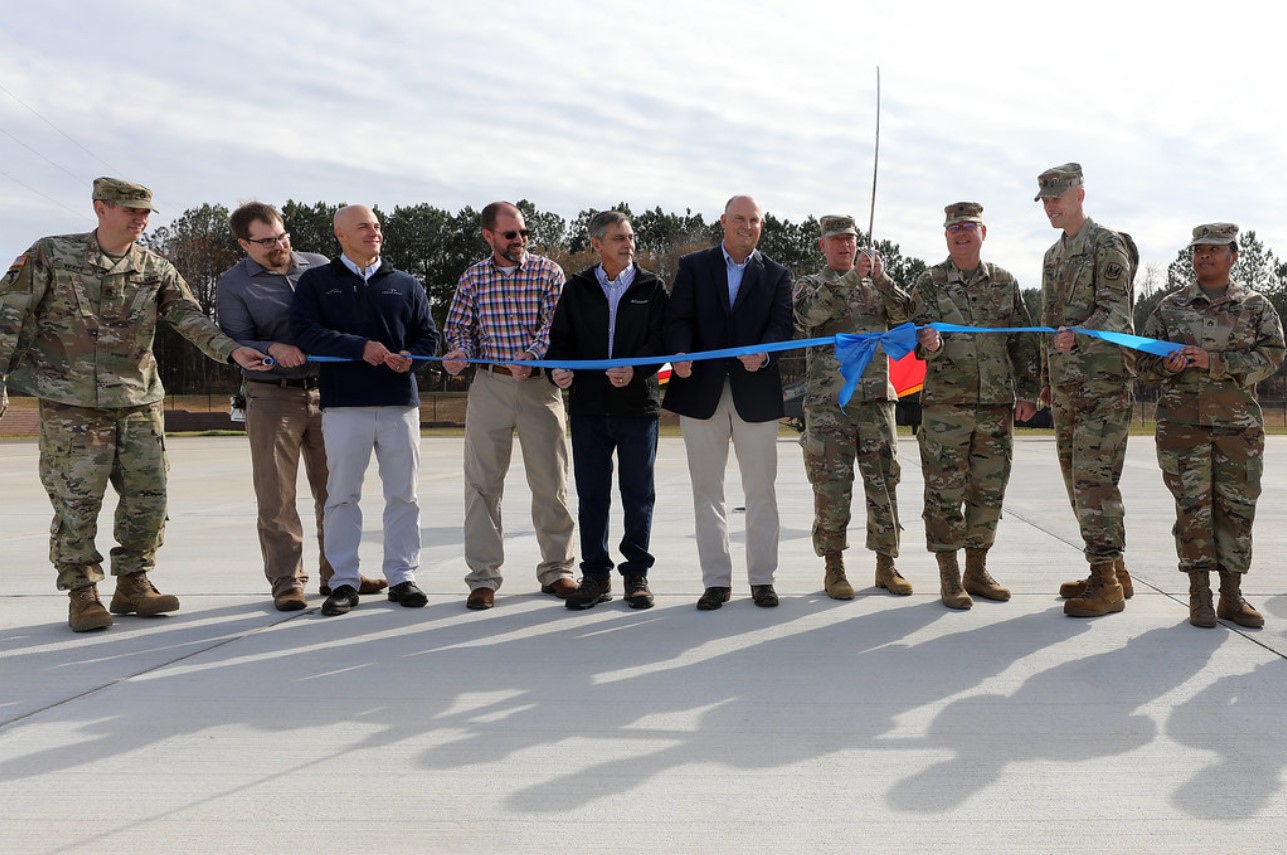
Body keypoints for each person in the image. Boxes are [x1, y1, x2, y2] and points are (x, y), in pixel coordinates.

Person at [0, 177, 270, 632]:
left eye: (146, 213)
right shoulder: (52, 254)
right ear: (100, 208)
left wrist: (231, 350)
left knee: (149, 498)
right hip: (72, 403)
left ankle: (133, 582)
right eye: (131, 211)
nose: (141, 220)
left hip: (139, 399)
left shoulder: (155, 267)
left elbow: (188, 316)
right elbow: (9, 314)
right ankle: (83, 593)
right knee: (76, 501)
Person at [217, 201, 387, 611]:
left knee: (337, 489)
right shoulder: (233, 284)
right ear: (245, 243)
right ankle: (287, 581)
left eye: (282, 236)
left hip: (329, 393)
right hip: (272, 395)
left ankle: (340, 574)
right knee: (276, 495)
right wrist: (272, 346)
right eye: (267, 241)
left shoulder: (318, 266)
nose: (280, 246)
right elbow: (235, 338)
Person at [290, 205, 440, 617]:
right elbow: (303, 331)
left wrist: (413, 358)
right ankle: (343, 581)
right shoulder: (317, 282)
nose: (374, 233)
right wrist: (359, 347)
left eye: (377, 226)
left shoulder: (406, 284)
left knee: (404, 496)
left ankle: (402, 576)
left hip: (399, 406)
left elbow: (429, 336)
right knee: (341, 496)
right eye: (364, 227)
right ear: (340, 233)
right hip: (343, 407)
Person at [1139, 223, 1283, 628]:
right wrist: (1166, 364)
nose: (1203, 255)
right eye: (1198, 249)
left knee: (1237, 509)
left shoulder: (1255, 306)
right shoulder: (1169, 307)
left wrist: (1215, 363)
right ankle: (1199, 594)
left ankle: (1232, 595)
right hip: (1181, 427)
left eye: (1214, 249)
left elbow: (1272, 356)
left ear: (1233, 256)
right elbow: (1143, 363)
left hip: (1238, 427)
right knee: (1192, 509)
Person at [442, 201, 576, 610]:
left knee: (551, 482)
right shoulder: (472, 278)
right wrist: (458, 353)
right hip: (490, 385)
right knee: (482, 484)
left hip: (539, 388)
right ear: (489, 236)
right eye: (510, 234)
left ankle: (558, 569)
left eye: (523, 233)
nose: (520, 241)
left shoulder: (548, 272)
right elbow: (458, 328)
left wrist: (532, 357)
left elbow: (556, 324)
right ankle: (483, 577)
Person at [663, 195, 792, 610]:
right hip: (701, 392)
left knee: (761, 491)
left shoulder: (776, 274)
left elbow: (781, 326)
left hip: (756, 394)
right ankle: (716, 581)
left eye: (754, 220)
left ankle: (762, 580)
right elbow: (678, 319)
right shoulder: (694, 267)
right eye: (740, 218)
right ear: (723, 221)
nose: (747, 226)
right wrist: (680, 353)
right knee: (707, 492)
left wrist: (765, 353)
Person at [911, 203, 1041, 609]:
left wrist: (1031, 391)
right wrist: (928, 344)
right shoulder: (928, 283)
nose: (961, 233)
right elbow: (917, 341)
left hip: (996, 407)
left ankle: (977, 569)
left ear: (984, 232)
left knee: (989, 492)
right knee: (944, 492)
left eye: (969, 227)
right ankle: (950, 577)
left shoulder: (1004, 282)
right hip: (946, 409)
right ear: (945, 235)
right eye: (953, 228)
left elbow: (1021, 340)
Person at [547, 211, 669, 611]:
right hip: (589, 408)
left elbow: (661, 343)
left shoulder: (652, 286)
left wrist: (635, 370)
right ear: (596, 244)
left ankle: (636, 574)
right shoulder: (577, 288)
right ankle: (596, 575)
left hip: (638, 407)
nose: (628, 243)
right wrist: (559, 371)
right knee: (592, 495)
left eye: (630, 236)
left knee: (638, 494)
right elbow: (560, 343)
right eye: (618, 237)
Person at [1035, 162, 1139, 617]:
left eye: (1058, 197)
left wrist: (1079, 334)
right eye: (1046, 200)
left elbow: (1117, 312)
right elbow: (1047, 323)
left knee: (1094, 481)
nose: (1051, 206)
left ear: (1081, 195)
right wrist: (1045, 378)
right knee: (1075, 481)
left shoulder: (1106, 244)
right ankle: (1113, 568)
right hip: (1067, 386)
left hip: (1103, 383)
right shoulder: (1052, 256)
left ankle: (1105, 584)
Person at [794, 214, 914, 601]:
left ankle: (887, 564)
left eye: (851, 239)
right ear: (822, 246)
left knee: (884, 485)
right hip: (829, 406)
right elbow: (807, 316)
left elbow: (906, 313)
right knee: (831, 489)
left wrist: (879, 278)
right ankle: (834, 567)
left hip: (876, 400)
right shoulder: (811, 284)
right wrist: (849, 280)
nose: (846, 246)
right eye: (837, 240)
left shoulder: (875, 284)